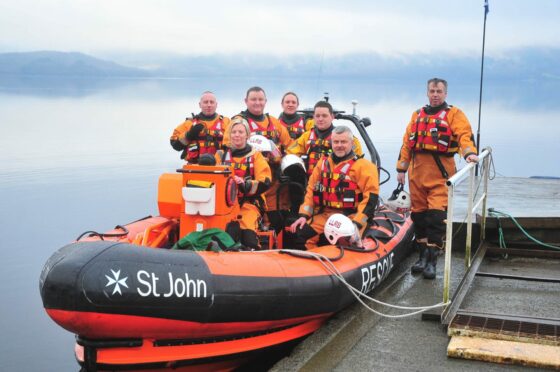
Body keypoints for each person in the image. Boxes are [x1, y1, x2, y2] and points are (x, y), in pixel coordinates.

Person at [396, 78, 478, 279]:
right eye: (432, 91)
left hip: (440, 175)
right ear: (427, 92)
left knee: (436, 219)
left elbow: (464, 136)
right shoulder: (416, 115)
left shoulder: (454, 114)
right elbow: (407, 143)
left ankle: (432, 260)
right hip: (417, 175)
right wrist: (401, 169)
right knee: (419, 217)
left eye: (439, 91)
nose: (435, 94)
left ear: (445, 94)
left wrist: (469, 153)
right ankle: (422, 256)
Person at [289, 126, 379, 250]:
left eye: (344, 142)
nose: (339, 145)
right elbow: (310, 190)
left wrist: (357, 223)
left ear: (352, 143)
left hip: (351, 215)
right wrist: (303, 216)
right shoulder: (323, 163)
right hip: (327, 215)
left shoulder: (364, 166)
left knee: (348, 243)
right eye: (336, 142)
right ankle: (314, 266)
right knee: (300, 236)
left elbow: (371, 198)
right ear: (331, 143)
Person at [225, 87, 294, 232]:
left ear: (265, 101)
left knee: (276, 222)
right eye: (253, 99)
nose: (257, 103)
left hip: (272, 183)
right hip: (246, 182)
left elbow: (290, 147)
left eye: (260, 99)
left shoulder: (274, 123)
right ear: (246, 101)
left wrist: (282, 162)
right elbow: (228, 146)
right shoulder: (237, 123)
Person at [215, 117, 272, 250]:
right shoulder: (221, 155)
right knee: (221, 233)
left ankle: (253, 252)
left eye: (241, 132)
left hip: (248, 203)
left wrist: (245, 184)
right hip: (224, 204)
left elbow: (265, 181)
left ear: (247, 135)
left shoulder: (256, 156)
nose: (237, 135)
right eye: (234, 132)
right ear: (230, 134)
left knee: (248, 236)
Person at [287, 101, 363, 177]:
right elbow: (290, 154)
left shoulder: (346, 137)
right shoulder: (306, 137)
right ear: (314, 117)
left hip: (337, 184)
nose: (320, 119)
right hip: (309, 182)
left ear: (332, 117)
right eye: (317, 116)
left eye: (324, 116)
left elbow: (358, 163)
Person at [170, 91, 230, 163]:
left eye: (211, 102)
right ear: (200, 104)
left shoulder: (226, 122)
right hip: (194, 167)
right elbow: (175, 146)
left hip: (219, 168)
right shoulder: (189, 123)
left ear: (216, 104)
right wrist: (189, 135)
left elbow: (236, 145)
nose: (209, 105)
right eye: (205, 102)